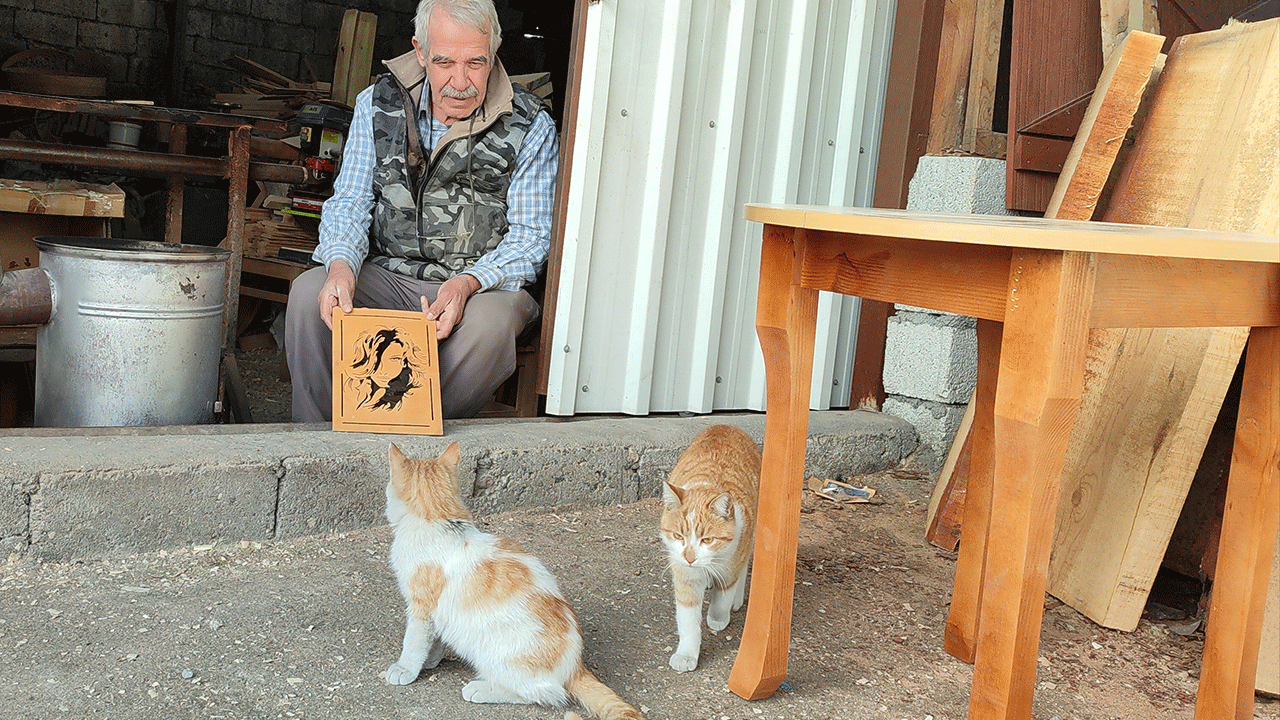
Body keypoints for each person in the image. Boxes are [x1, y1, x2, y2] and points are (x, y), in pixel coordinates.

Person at [286, 0, 558, 422]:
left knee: (491, 328)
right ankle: (320, 445)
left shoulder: (529, 123)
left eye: (476, 63)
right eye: (445, 62)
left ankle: (407, 435)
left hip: (480, 288)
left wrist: (468, 283)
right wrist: (341, 266)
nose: (461, 81)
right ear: (420, 51)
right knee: (308, 295)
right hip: (388, 275)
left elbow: (531, 236)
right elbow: (351, 201)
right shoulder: (378, 103)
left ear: (495, 50)